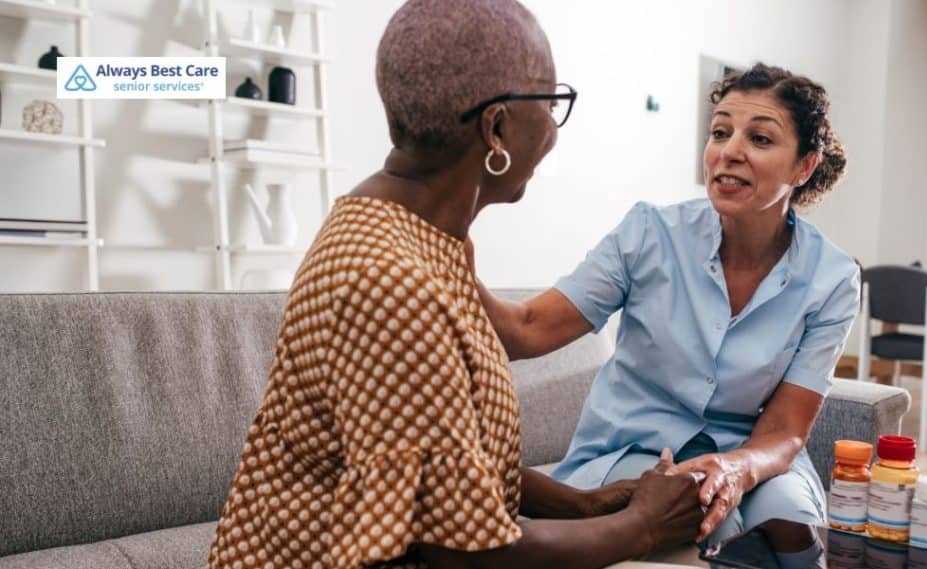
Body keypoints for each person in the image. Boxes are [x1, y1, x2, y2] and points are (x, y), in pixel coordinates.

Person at [208, 1, 702, 568]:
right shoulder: (392, 285)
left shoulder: (421, 237)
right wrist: (642, 527)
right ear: (496, 128)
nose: (554, 133)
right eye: (550, 102)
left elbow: (436, 455)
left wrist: (587, 506)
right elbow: (465, 556)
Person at [477, 62, 859, 546]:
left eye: (760, 139)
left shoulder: (832, 278)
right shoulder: (649, 234)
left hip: (751, 454)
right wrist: (449, 244)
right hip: (632, 448)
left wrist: (735, 469)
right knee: (710, 524)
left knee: (791, 532)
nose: (730, 152)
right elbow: (529, 326)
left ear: (804, 166)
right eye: (720, 132)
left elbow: (785, 429)